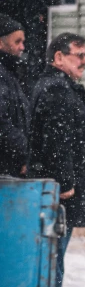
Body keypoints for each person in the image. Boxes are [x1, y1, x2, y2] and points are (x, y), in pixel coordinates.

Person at [28, 33, 85, 287]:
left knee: (53, 253)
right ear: (58, 58)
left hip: (61, 187)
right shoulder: (56, 89)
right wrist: (65, 182)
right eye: (78, 55)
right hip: (60, 191)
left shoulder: (62, 88)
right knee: (53, 255)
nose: (84, 60)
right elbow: (56, 140)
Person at [0, 15, 28, 177]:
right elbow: (2, 124)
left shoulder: (11, 74)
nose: (22, 47)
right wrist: (25, 153)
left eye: (23, 42)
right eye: (17, 42)